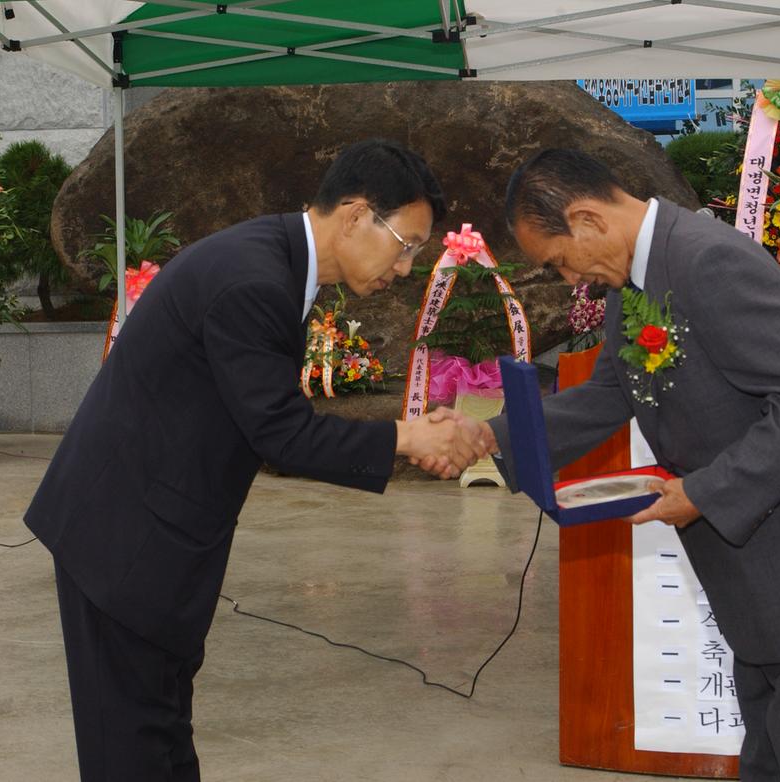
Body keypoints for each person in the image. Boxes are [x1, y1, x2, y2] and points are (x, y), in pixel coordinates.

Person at [440, 148, 780, 781]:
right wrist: (488, 435)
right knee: (772, 762)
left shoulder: (710, 260)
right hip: (757, 580)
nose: (567, 279)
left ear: (586, 221)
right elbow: (612, 393)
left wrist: (703, 492)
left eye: (557, 262)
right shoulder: (636, 278)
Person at [25, 139, 486, 781]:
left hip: (153, 532)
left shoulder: (273, 259)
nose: (407, 268)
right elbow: (282, 435)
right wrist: (409, 438)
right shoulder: (254, 280)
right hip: (124, 542)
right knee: (131, 748)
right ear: (354, 216)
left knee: (157, 734)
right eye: (406, 244)